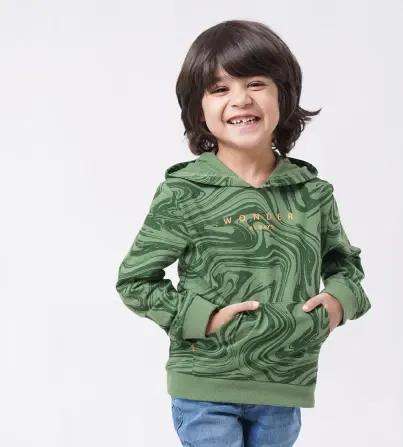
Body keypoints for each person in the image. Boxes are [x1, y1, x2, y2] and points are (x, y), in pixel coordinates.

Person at [116, 19, 371, 447]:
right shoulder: (185, 192)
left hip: (285, 384)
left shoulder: (311, 193)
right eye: (220, 89)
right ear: (198, 108)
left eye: (256, 83)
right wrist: (203, 318)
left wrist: (337, 304)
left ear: (283, 95)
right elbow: (135, 281)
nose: (240, 99)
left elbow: (345, 266)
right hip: (204, 385)